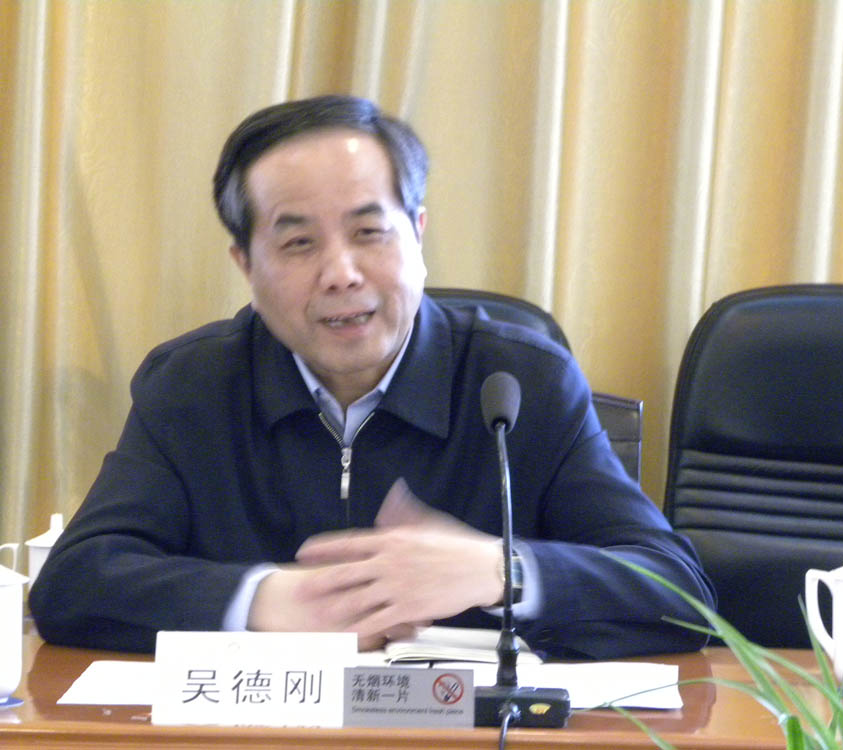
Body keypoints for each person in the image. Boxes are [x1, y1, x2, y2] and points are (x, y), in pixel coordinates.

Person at [29, 95, 715, 659]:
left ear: (417, 233)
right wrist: (270, 600)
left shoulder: (520, 380)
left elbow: (679, 592)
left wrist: (498, 570)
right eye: (298, 242)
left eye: (369, 232)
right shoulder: (192, 384)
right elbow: (74, 583)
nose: (341, 273)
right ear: (245, 264)